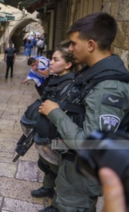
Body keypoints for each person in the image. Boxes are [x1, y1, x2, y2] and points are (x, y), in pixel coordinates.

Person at [38, 12, 129, 212]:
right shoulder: (93, 73)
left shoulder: (108, 87)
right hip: (73, 171)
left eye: (73, 43)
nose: (70, 49)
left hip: (83, 177)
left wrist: (55, 112)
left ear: (90, 45)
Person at [30, 47, 76, 211]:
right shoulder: (56, 79)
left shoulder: (70, 85)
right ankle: (47, 188)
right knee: (46, 164)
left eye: (56, 60)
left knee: (58, 170)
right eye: (52, 58)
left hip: (57, 137)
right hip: (46, 134)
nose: (51, 62)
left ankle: (56, 204)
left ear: (68, 64)